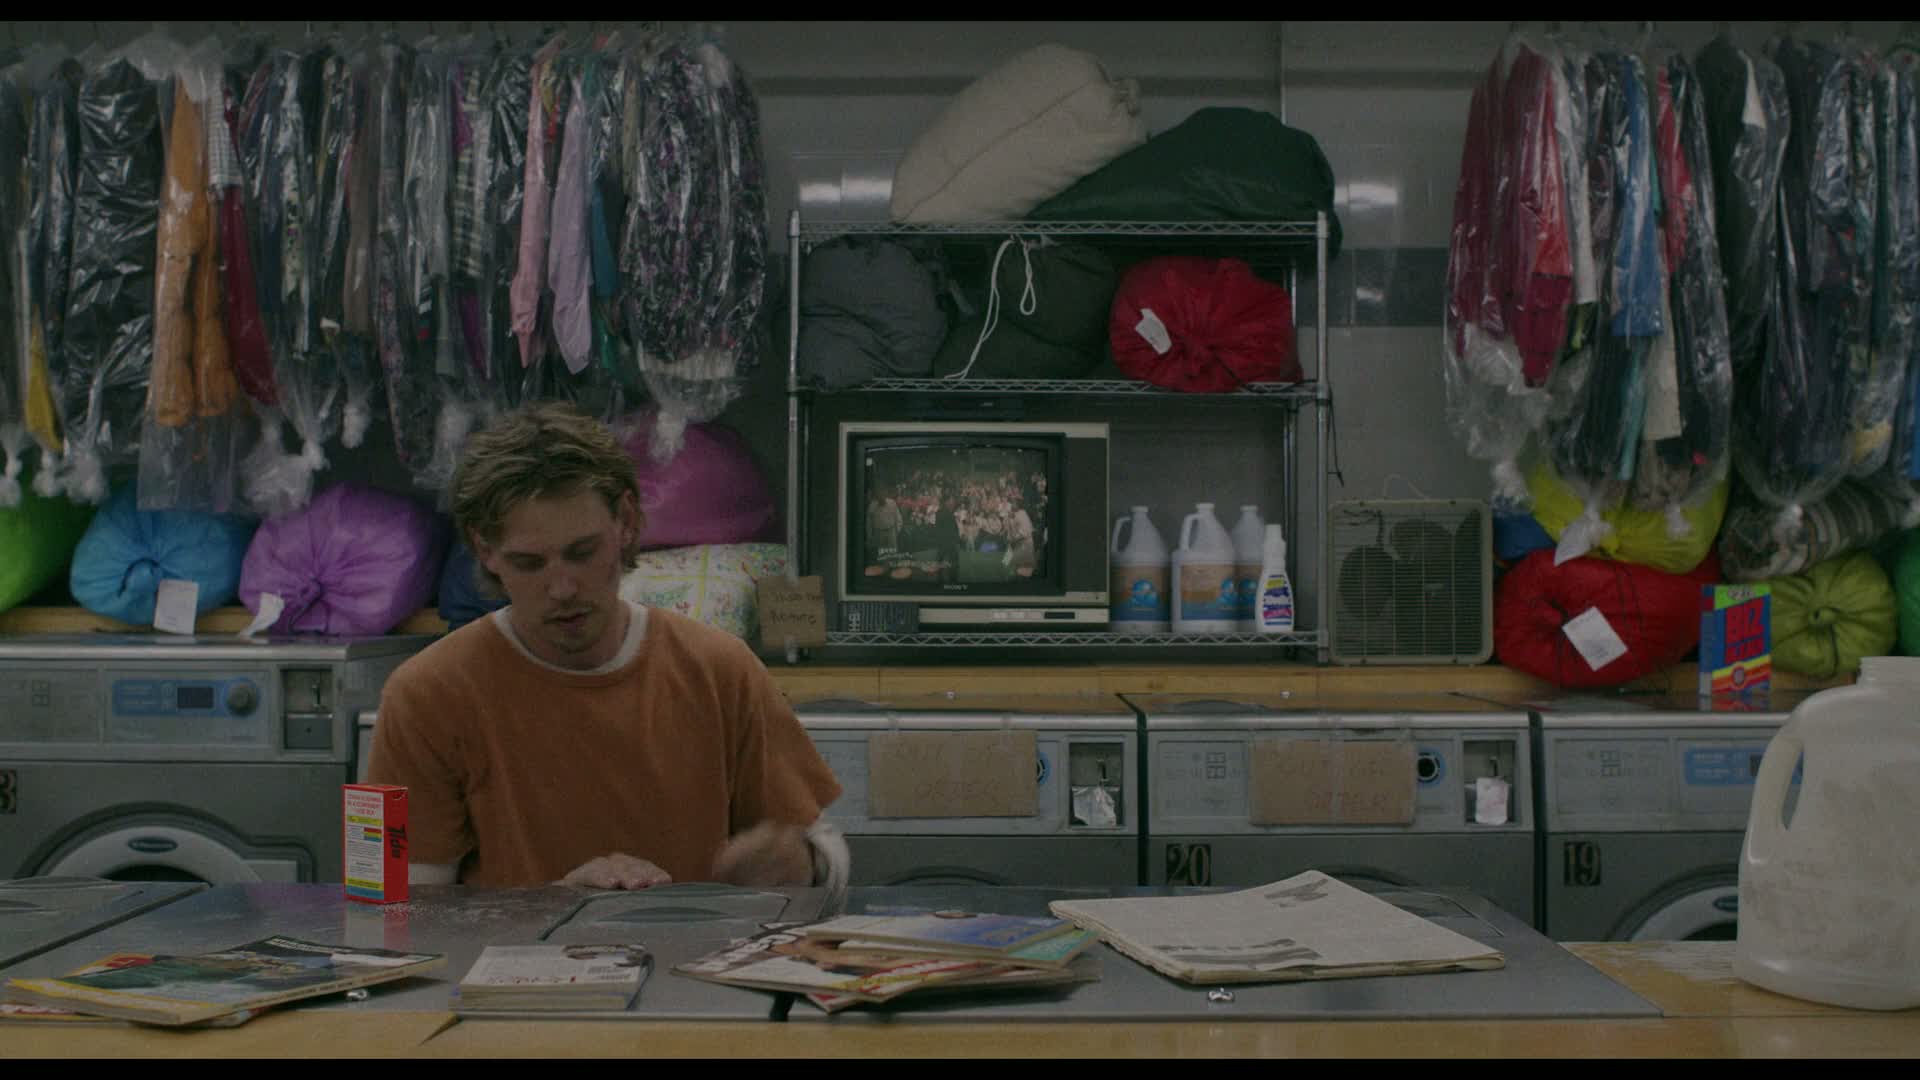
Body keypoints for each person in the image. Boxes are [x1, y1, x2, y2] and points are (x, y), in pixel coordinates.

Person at [366, 402, 848, 899]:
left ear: (626, 522)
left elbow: (828, 854)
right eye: (529, 563)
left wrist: (805, 863)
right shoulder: (425, 695)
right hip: (510, 951)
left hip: (699, 951)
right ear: (484, 549)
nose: (562, 589)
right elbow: (387, 905)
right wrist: (557, 904)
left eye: (582, 552)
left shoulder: (720, 669)